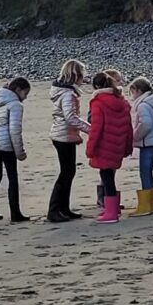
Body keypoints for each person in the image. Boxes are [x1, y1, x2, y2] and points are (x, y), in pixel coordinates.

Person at [86, 72, 134, 223]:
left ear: (96, 86)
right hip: (118, 145)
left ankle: (111, 212)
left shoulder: (98, 103)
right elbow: (129, 127)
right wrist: (127, 147)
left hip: (103, 146)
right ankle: (112, 209)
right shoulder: (122, 102)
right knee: (109, 177)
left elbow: (96, 128)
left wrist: (90, 149)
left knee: (106, 178)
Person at [47, 60, 90, 223]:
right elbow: (70, 117)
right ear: (76, 75)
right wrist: (91, 130)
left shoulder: (62, 91)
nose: (83, 79)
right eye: (82, 75)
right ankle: (55, 210)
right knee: (66, 173)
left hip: (62, 135)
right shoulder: (67, 94)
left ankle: (63, 209)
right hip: (63, 136)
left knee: (68, 172)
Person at [0, 78, 32, 222]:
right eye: (25, 93)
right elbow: (15, 130)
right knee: (12, 178)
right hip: (6, 145)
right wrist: (20, 152)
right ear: (18, 90)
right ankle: (15, 214)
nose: (26, 97)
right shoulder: (15, 105)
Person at [128, 76, 153, 216]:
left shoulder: (143, 105)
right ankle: (152, 204)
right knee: (147, 172)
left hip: (148, 142)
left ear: (138, 90)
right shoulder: (152, 102)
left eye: (132, 92)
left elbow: (146, 124)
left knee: (145, 172)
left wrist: (135, 136)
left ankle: (146, 206)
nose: (132, 96)